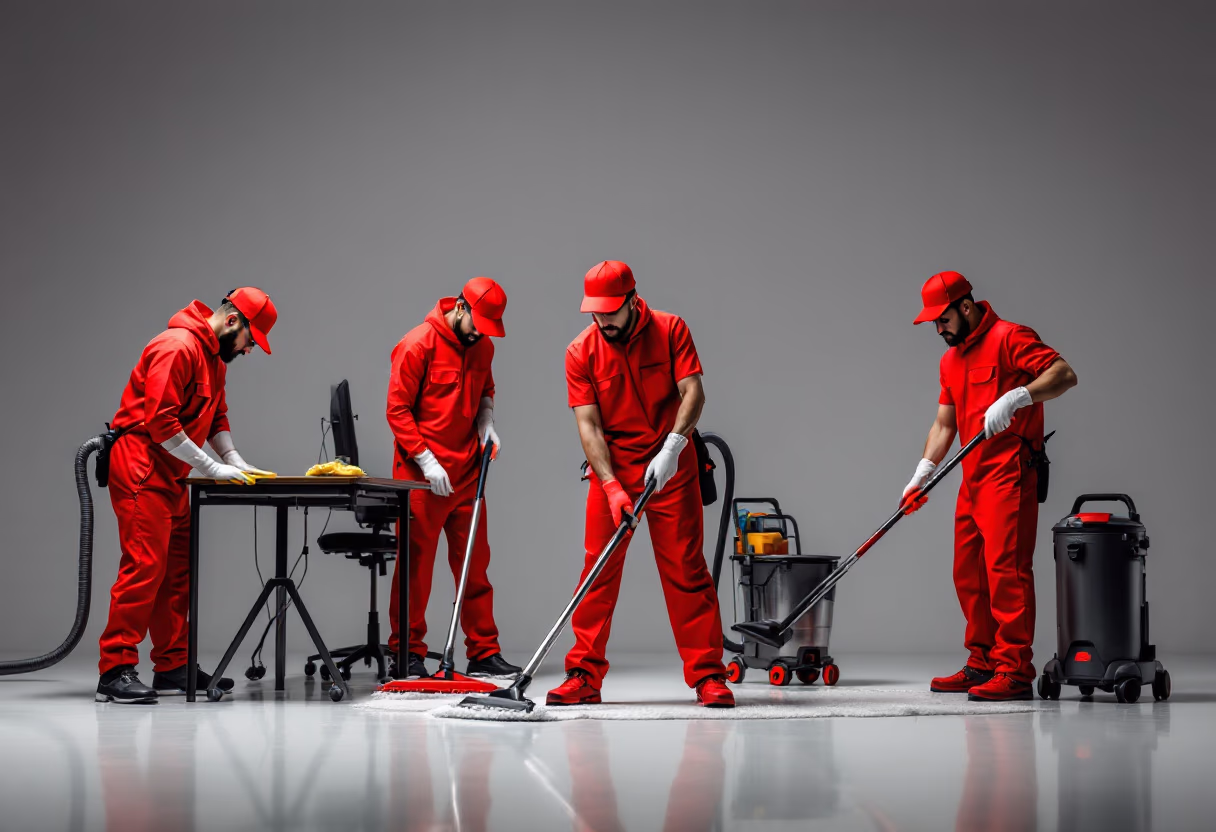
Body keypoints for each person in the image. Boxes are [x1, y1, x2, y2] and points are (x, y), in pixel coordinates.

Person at [547, 260, 734, 708]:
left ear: (633, 299)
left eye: (611, 310)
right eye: (595, 312)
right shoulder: (580, 352)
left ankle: (709, 675)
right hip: (614, 469)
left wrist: (672, 448)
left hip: (672, 464)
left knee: (687, 570)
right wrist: (610, 485)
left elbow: (694, 392)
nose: (602, 320)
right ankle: (583, 675)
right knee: (598, 571)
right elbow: (588, 426)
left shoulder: (671, 330)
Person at [901, 271, 1077, 701]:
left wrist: (1020, 396)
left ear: (965, 306)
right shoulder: (950, 360)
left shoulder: (1010, 337)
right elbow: (945, 423)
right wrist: (922, 471)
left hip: (1010, 474)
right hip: (972, 478)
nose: (937, 329)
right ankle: (981, 662)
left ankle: (1014, 670)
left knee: (1006, 572)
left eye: (941, 320)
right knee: (969, 573)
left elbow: (1064, 374)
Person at [97, 288, 278, 703]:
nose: (249, 350)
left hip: (177, 473)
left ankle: (173, 666)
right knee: (145, 567)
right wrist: (213, 468)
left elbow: (217, 414)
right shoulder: (176, 347)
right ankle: (115, 670)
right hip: (143, 466)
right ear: (233, 320)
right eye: (251, 340)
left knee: (177, 573)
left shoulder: (213, 356)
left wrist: (234, 456)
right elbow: (161, 423)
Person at [385, 277, 520, 680]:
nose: (481, 334)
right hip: (422, 479)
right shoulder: (417, 343)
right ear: (460, 308)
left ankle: (483, 652)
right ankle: (406, 652)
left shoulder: (483, 345)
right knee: (416, 569)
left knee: (475, 566)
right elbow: (397, 410)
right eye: (477, 323)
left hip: (467, 474)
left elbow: (486, 390)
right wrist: (426, 461)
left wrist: (487, 424)